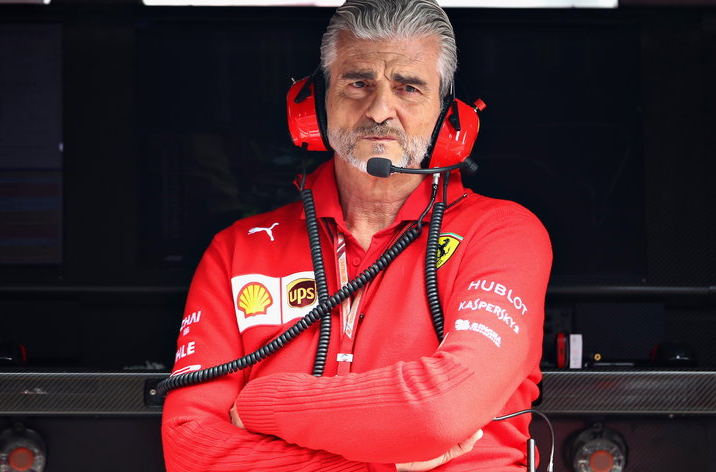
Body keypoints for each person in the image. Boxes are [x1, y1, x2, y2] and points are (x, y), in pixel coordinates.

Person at [160, 1, 552, 470]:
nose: (380, 111)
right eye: (358, 83)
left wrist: (262, 400)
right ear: (314, 103)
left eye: (408, 88)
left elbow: (438, 411)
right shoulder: (238, 250)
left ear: (449, 115)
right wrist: (381, 463)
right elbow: (189, 447)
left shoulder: (503, 234)